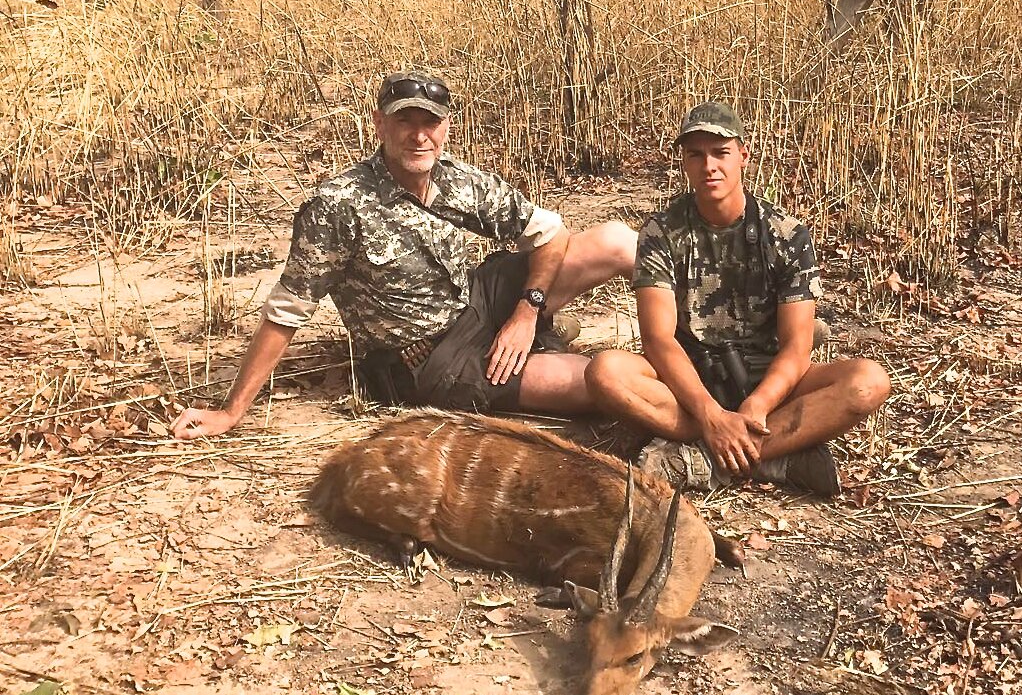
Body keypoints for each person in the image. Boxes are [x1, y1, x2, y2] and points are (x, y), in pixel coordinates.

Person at [171, 70, 636, 440]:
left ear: (446, 128)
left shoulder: (459, 179)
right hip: (431, 360)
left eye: (429, 122)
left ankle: (697, 333)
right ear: (379, 124)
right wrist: (231, 411)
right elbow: (287, 311)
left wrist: (526, 313)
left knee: (616, 240)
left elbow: (549, 233)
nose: (419, 136)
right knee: (608, 379)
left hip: (476, 301)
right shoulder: (338, 205)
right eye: (404, 121)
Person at [585, 102, 891, 496]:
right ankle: (776, 455)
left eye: (720, 152)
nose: (709, 165)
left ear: (743, 155)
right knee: (605, 372)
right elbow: (658, 340)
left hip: (767, 377)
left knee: (868, 382)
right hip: (691, 378)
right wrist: (711, 415)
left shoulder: (786, 233)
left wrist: (757, 406)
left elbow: (798, 346)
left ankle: (701, 460)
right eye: (696, 154)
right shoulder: (661, 231)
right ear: (683, 163)